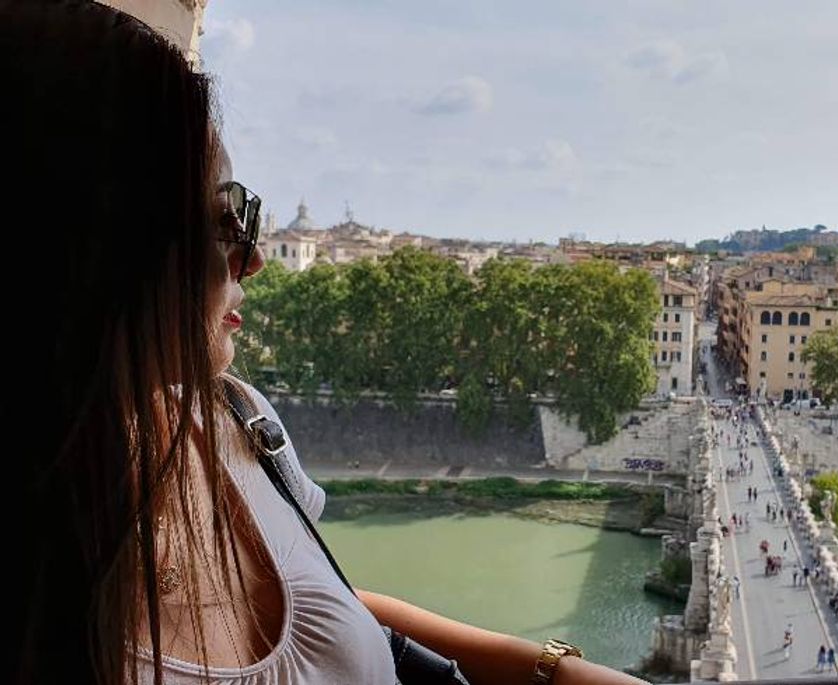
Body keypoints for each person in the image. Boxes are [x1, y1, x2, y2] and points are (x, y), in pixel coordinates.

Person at [4, 3, 644, 684]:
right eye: (227, 219)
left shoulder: (241, 422)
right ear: (101, 247)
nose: (252, 260)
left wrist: (545, 668)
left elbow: (329, 607)